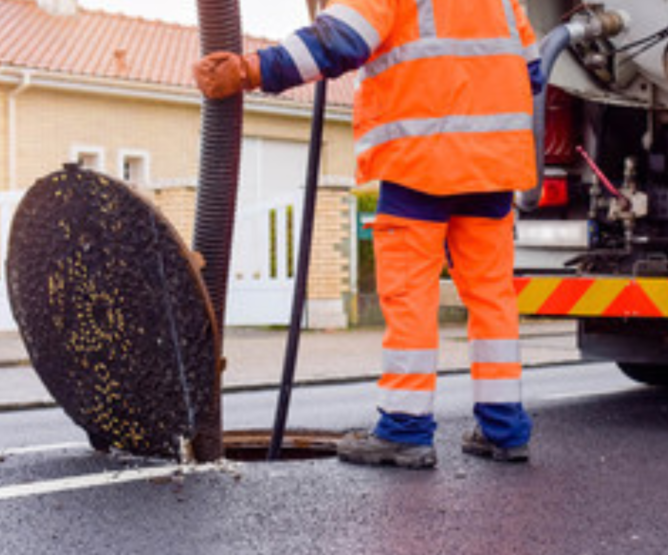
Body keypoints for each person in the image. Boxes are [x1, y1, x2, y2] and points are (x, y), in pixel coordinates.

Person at [193, 0, 543, 469]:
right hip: (496, 165)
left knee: (409, 296)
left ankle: (405, 429)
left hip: (421, 161)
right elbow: (534, 72)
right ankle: (505, 430)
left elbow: (337, 42)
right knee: (492, 296)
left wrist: (251, 70)